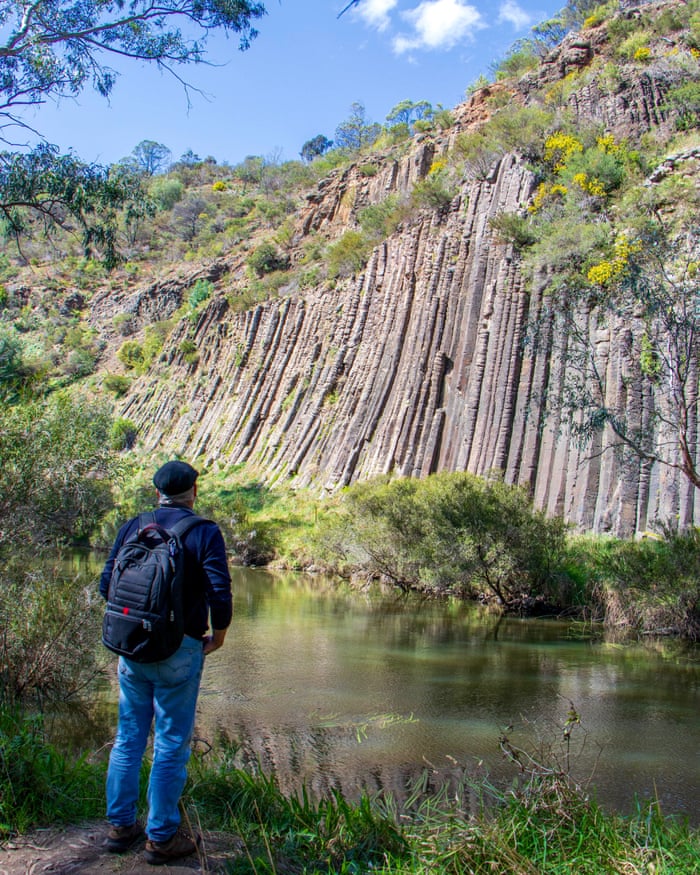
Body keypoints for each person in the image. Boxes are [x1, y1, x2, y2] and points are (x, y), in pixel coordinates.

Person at [99, 460, 233, 865]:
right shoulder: (203, 531)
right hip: (181, 648)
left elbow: (107, 582)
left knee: (128, 737)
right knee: (171, 743)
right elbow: (219, 591)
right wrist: (219, 635)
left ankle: (120, 827)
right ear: (194, 491)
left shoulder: (134, 525)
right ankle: (161, 837)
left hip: (131, 648)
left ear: (156, 491)